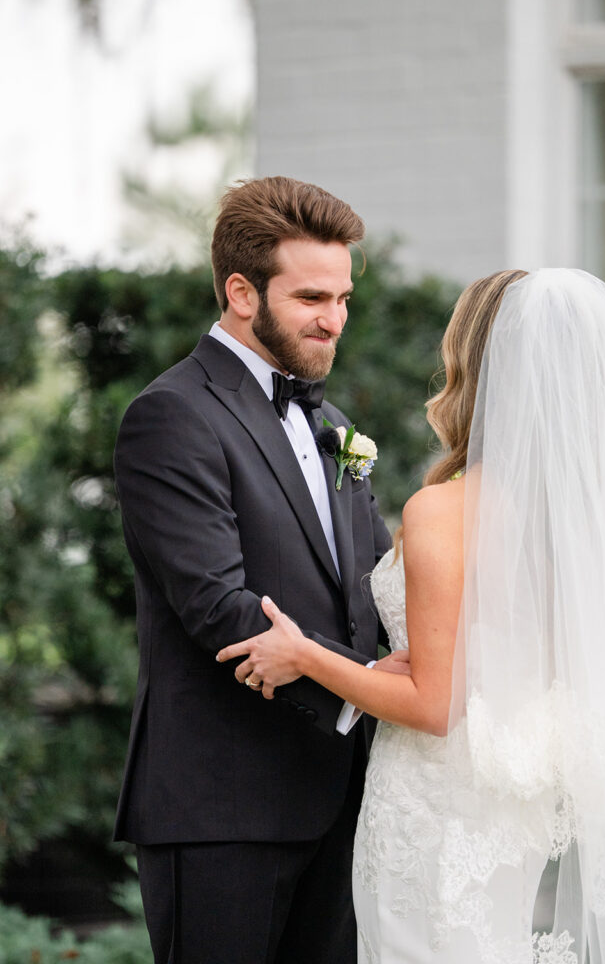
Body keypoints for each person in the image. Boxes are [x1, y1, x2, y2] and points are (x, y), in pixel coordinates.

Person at [219, 268, 605, 964]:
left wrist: (308, 655)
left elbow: (435, 705)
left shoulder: (445, 512)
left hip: (436, 806)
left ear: (474, 363)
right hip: (512, 806)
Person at [113, 176, 399, 964]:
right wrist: (363, 690)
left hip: (341, 802)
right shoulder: (171, 415)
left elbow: (378, 588)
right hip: (221, 808)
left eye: (341, 298)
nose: (333, 319)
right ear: (242, 292)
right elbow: (217, 606)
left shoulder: (333, 424)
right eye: (311, 297)